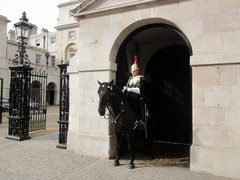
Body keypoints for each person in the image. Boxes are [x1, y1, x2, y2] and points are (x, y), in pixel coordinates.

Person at [122, 55, 145, 129]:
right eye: (132, 71)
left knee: (134, 99)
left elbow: (139, 90)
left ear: (137, 70)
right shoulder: (130, 79)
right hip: (129, 94)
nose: (133, 72)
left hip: (136, 96)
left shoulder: (140, 78)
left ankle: (139, 120)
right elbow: (127, 86)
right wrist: (124, 89)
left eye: (134, 70)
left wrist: (130, 89)